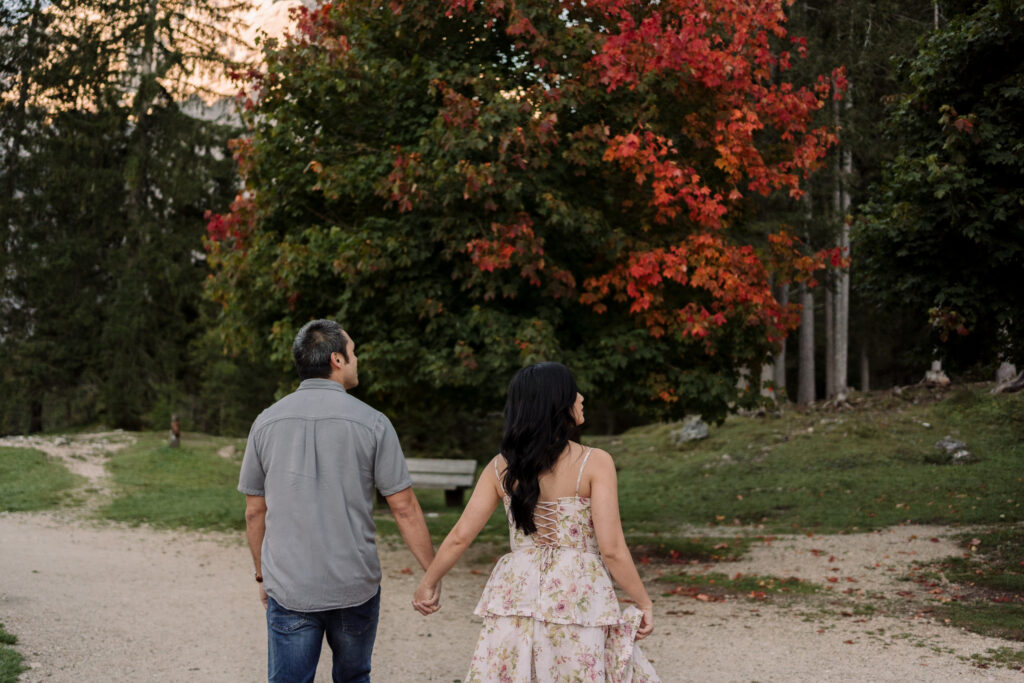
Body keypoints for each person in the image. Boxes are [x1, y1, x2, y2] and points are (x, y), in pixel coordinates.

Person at [413, 362, 660, 682]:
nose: (581, 397)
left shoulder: (500, 467)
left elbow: (461, 535)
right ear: (558, 404)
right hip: (576, 590)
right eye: (574, 392)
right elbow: (611, 549)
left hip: (516, 588)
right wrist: (644, 601)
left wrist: (428, 582)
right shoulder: (595, 462)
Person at [239, 319, 437, 683]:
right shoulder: (373, 423)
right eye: (354, 352)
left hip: (290, 586)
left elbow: (255, 511)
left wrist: (262, 575)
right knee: (353, 677)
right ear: (337, 360)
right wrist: (432, 571)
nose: (356, 359)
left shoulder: (265, 423)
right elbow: (404, 506)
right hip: (354, 586)